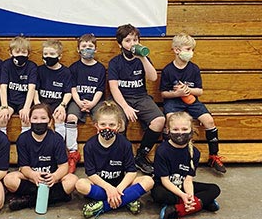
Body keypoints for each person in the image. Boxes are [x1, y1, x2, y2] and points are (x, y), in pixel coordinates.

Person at [159, 32, 226, 173]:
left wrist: (188, 90)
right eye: (188, 49)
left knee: (208, 120)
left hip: (192, 101)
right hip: (173, 102)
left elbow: (200, 91)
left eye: (192, 50)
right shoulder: (168, 70)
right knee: (170, 119)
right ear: (177, 50)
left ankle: (214, 156)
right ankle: (167, 156)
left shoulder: (194, 69)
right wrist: (177, 93)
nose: (191, 53)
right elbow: (163, 93)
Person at [75, 100, 154, 218]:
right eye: (103, 125)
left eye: (111, 125)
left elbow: (131, 172)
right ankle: (127, 199)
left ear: (118, 126)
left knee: (149, 181)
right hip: (100, 185)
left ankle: (103, 206)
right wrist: (109, 189)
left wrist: (118, 190)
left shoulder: (125, 144)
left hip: (121, 184)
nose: (107, 128)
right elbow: (91, 174)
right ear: (96, 125)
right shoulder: (89, 146)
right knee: (80, 184)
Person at [108, 23, 165, 175]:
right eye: (128, 40)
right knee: (118, 124)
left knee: (159, 120)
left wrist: (143, 58)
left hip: (141, 97)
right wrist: (125, 107)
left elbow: (153, 78)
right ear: (120, 43)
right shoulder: (115, 62)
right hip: (121, 99)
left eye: (135, 40)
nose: (132, 43)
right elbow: (114, 88)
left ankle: (141, 155)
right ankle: (122, 158)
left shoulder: (143, 58)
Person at [3, 103, 78, 211]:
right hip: (32, 179)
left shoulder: (57, 139)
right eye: (35, 118)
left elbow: (64, 166)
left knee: (73, 180)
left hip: (51, 179)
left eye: (43, 118)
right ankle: (56, 198)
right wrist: (33, 175)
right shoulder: (23, 139)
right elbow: (23, 167)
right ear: (29, 120)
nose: (39, 121)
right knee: (9, 179)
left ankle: (28, 201)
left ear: (50, 120)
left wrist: (55, 176)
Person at [152, 112, 221, 219]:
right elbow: (164, 181)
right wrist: (183, 196)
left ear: (191, 131)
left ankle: (177, 210)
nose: (180, 133)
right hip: (166, 187)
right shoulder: (162, 151)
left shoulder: (195, 152)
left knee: (214, 189)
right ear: (168, 130)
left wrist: (190, 197)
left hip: (183, 186)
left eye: (184, 129)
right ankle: (202, 203)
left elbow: (188, 180)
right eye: (175, 129)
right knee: (159, 195)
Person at [66, 33, 106, 173]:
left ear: (96, 49)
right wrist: (79, 102)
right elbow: (73, 88)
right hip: (77, 100)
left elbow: (100, 90)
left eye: (90, 46)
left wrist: (92, 103)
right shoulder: (74, 68)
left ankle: (101, 151)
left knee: (104, 119)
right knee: (71, 118)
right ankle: (73, 152)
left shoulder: (100, 68)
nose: (87, 49)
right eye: (84, 46)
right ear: (78, 49)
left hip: (95, 101)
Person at [0, 36, 37, 134]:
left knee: (26, 119)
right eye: (17, 52)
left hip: (24, 101)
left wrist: (26, 107)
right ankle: (2, 145)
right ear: (10, 53)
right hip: (10, 101)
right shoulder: (6, 65)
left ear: (28, 53)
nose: (20, 55)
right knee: (2, 118)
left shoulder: (32, 67)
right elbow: (3, 86)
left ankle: (25, 144)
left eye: (24, 52)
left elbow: (32, 88)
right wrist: (4, 106)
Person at [34, 39, 72, 140]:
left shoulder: (66, 72)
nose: (48, 56)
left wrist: (62, 105)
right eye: (45, 54)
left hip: (57, 104)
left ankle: (59, 143)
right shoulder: (39, 70)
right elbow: (35, 89)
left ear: (59, 56)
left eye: (52, 54)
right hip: (42, 103)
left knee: (59, 118)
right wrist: (37, 103)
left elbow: (68, 92)